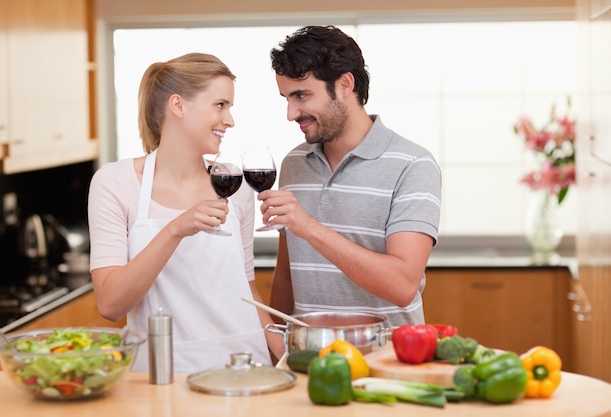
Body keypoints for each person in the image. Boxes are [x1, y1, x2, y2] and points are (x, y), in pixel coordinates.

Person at [87, 52, 284, 373]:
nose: (230, 120)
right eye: (220, 105)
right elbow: (110, 304)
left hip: (245, 368)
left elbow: (246, 287)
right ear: (178, 105)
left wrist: (286, 352)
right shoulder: (115, 183)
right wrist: (175, 229)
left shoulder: (235, 185)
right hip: (162, 371)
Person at [259, 25, 442, 327]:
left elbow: (402, 286)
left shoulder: (413, 164)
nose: (291, 113)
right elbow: (288, 275)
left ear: (344, 84)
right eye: (286, 98)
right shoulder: (294, 162)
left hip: (388, 360)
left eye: (301, 95)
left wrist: (309, 228)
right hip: (309, 358)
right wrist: (276, 341)